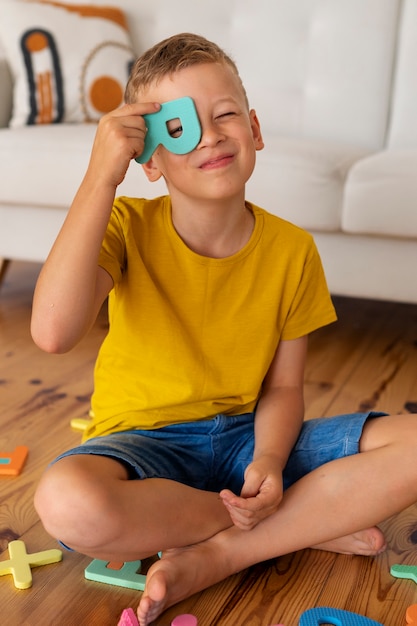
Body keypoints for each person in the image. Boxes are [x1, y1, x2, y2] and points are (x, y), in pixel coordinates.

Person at [31, 33, 417, 625]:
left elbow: (285, 389)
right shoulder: (123, 225)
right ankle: (297, 521)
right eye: (181, 127)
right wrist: (99, 180)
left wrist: (268, 457)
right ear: (150, 161)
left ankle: (224, 552)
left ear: (255, 130)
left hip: (248, 441)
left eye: (226, 115)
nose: (210, 135)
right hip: (145, 448)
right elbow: (53, 332)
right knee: (66, 501)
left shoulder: (294, 251)